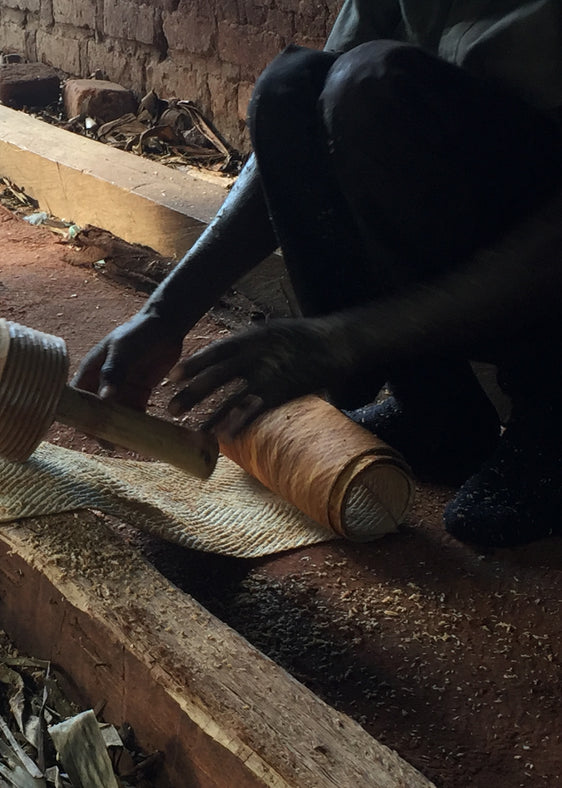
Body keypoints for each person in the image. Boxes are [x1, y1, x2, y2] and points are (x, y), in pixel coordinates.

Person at [73, 0, 562, 548]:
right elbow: (301, 128)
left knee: (370, 84)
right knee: (292, 86)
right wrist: (166, 311)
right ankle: (435, 409)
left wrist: (351, 337)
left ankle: (549, 420)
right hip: (489, 193)